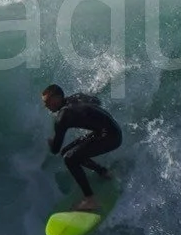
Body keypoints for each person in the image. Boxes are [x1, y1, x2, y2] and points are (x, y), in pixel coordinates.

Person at [41, 84, 121, 212]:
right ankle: (104, 172)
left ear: (57, 98)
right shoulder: (76, 97)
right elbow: (96, 101)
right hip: (111, 130)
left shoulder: (62, 117)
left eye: (47, 102)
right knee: (67, 152)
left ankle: (90, 200)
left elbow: (55, 149)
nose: (46, 106)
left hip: (110, 137)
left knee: (69, 158)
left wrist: (52, 143)